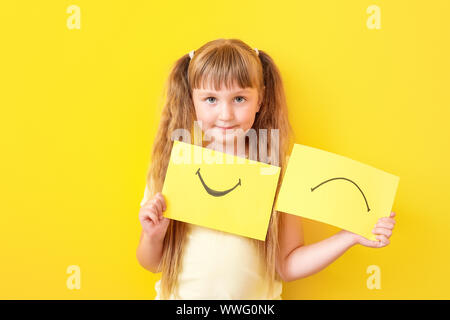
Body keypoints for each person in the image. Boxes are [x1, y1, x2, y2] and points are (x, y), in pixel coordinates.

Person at [136, 38, 397, 300]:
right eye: (211, 99)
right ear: (192, 100)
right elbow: (152, 263)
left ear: (259, 100)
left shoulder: (277, 169)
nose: (226, 114)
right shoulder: (171, 167)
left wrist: (349, 236)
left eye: (239, 98)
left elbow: (285, 265)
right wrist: (153, 236)